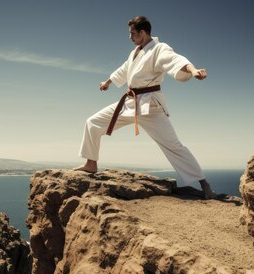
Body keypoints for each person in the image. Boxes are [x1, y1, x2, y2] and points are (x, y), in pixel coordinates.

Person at [74, 16, 216, 199]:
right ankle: (91, 163)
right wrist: (108, 82)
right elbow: (125, 69)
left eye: (132, 33)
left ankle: (204, 184)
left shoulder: (159, 49)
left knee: (174, 146)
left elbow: (176, 60)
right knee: (93, 122)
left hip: (150, 106)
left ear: (143, 32)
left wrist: (193, 70)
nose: (130, 37)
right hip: (130, 103)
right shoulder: (135, 53)